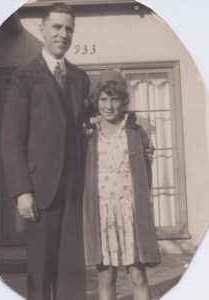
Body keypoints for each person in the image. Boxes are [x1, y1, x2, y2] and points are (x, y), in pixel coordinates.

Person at [1, 3, 90, 300]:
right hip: (39, 192)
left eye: (68, 29)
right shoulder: (24, 78)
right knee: (40, 273)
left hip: (73, 190)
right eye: (56, 27)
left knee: (72, 272)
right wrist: (21, 191)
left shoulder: (80, 78)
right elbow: (11, 139)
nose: (63, 34)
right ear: (42, 29)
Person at [83, 70, 160, 300]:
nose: (109, 106)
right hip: (102, 214)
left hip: (131, 214)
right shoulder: (89, 135)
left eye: (114, 99)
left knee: (137, 275)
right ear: (96, 102)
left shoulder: (135, 132)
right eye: (103, 99)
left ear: (123, 101)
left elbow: (145, 170)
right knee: (106, 278)